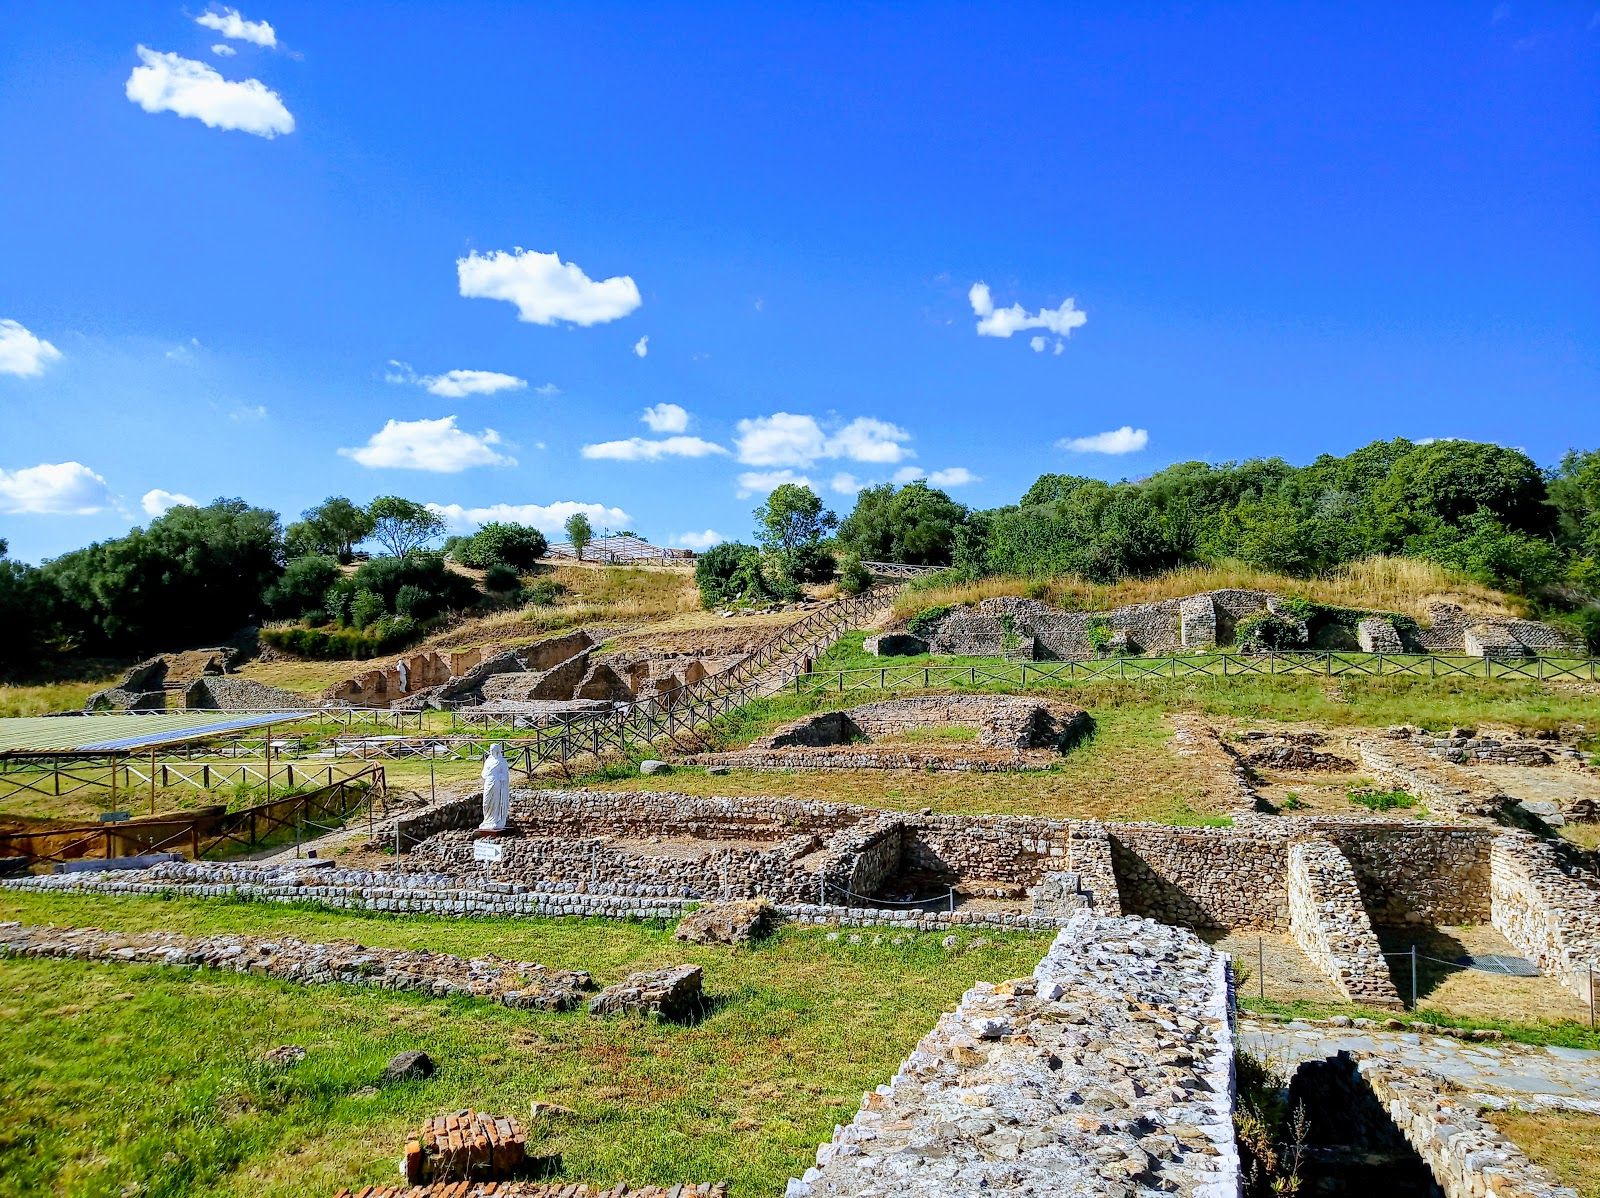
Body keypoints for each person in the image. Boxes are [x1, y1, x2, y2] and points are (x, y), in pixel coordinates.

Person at [479, 742, 511, 832]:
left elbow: (505, 775)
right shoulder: (488, 761)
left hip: (496, 783)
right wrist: (487, 775)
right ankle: (487, 820)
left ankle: (495, 820)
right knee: (486, 802)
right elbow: (483, 773)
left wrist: (500, 776)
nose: (492, 752)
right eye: (490, 750)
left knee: (495, 801)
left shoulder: (502, 761)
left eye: (493, 750)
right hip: (488, 782)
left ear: (497, 751)